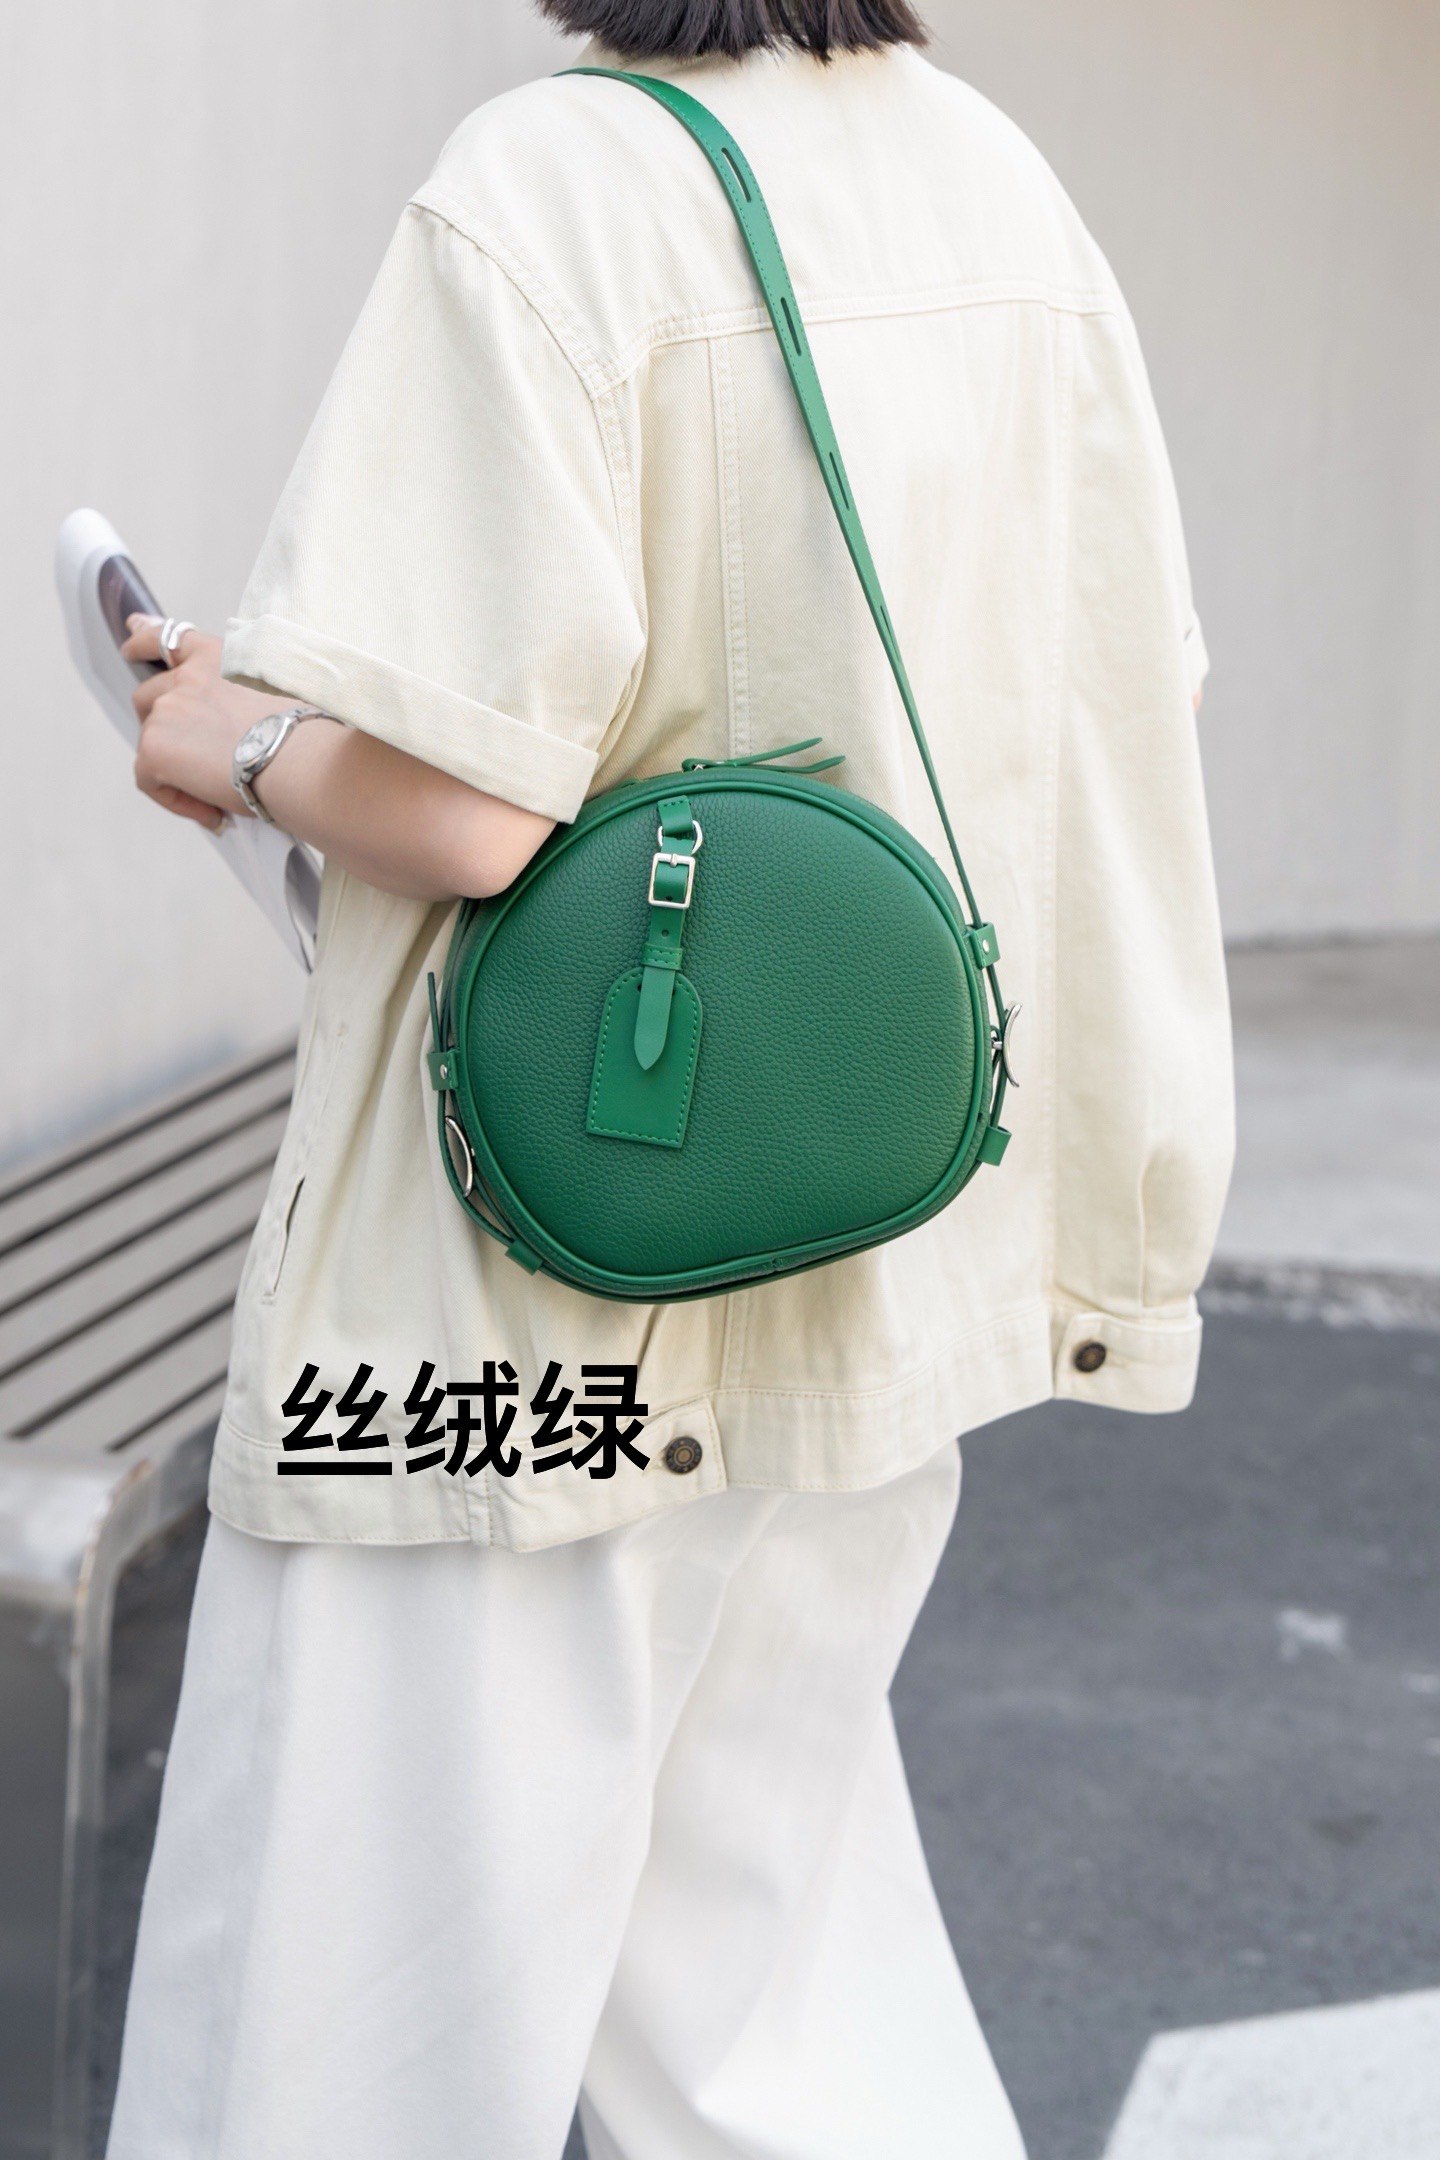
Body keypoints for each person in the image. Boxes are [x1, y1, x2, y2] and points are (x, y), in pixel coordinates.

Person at [105, 2, 1233, 2155]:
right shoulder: (993, 177)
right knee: (772, 2033)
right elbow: (1131, 686)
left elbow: (466, 808)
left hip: (514, 1321)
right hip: (850, 1247)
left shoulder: (554, 186)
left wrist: (232, 736)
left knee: (325, 2058)